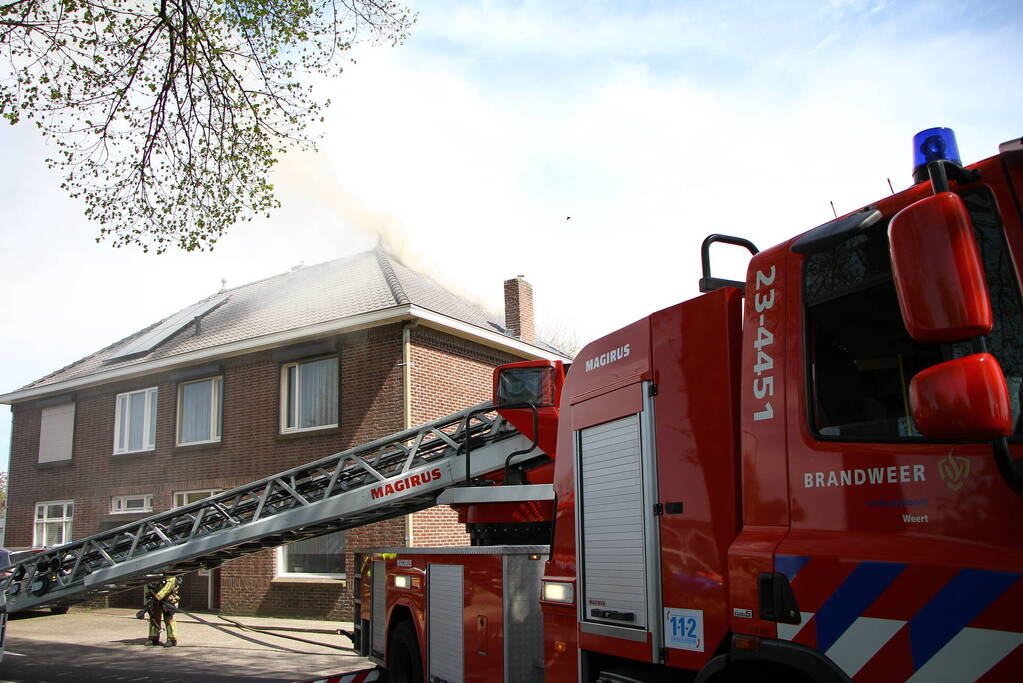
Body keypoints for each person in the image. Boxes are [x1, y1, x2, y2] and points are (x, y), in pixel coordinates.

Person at [142, 575, 181, 647]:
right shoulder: (150, 570)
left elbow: (171, 583)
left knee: (169, 617)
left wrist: (159, 596)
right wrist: (148, 594)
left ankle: (172, 639)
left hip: (167, 597)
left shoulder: (169, 570)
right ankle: (153, 637)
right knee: (154, 617)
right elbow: (146, 581)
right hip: (153, 596)